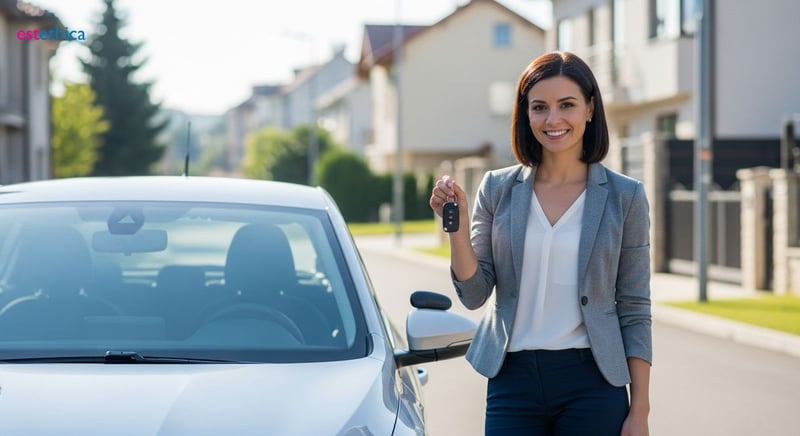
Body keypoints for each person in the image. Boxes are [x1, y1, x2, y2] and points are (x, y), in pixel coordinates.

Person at [429, 51, 651, 436]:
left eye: (567, 105)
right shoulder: (497, 189)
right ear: (525, 114)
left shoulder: (625, 196)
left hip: (593, 382)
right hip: (513, 380)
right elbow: (475, 294)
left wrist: (640, 411)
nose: (553, 119)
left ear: (590, 109)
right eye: (539, 107)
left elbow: (634, 307)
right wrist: (458, 231)